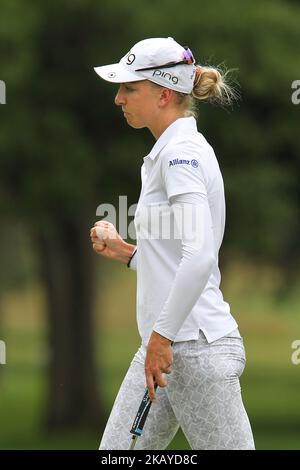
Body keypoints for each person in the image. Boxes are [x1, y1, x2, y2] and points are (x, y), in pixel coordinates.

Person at [90, 37, 255, 450]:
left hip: (191, 349)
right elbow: (177, 255)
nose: (118, 98)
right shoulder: (169, 152)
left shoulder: (181, 154)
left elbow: (199, 258)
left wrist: (161, 339)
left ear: (164, 94)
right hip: (164, 346)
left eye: (129, 88)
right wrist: (128, 253)